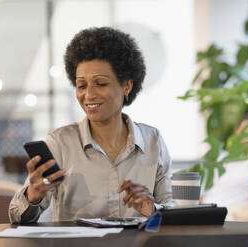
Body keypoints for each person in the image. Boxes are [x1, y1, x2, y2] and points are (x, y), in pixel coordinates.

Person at [9, 27, 173, 223]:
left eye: (100, 83)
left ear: (127, 86)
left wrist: (151, 208)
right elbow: (17, 217)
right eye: (81, 85)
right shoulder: (60, 142)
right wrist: (33, 195)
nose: (89, 95)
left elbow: (173, 213)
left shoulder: (153, 141)